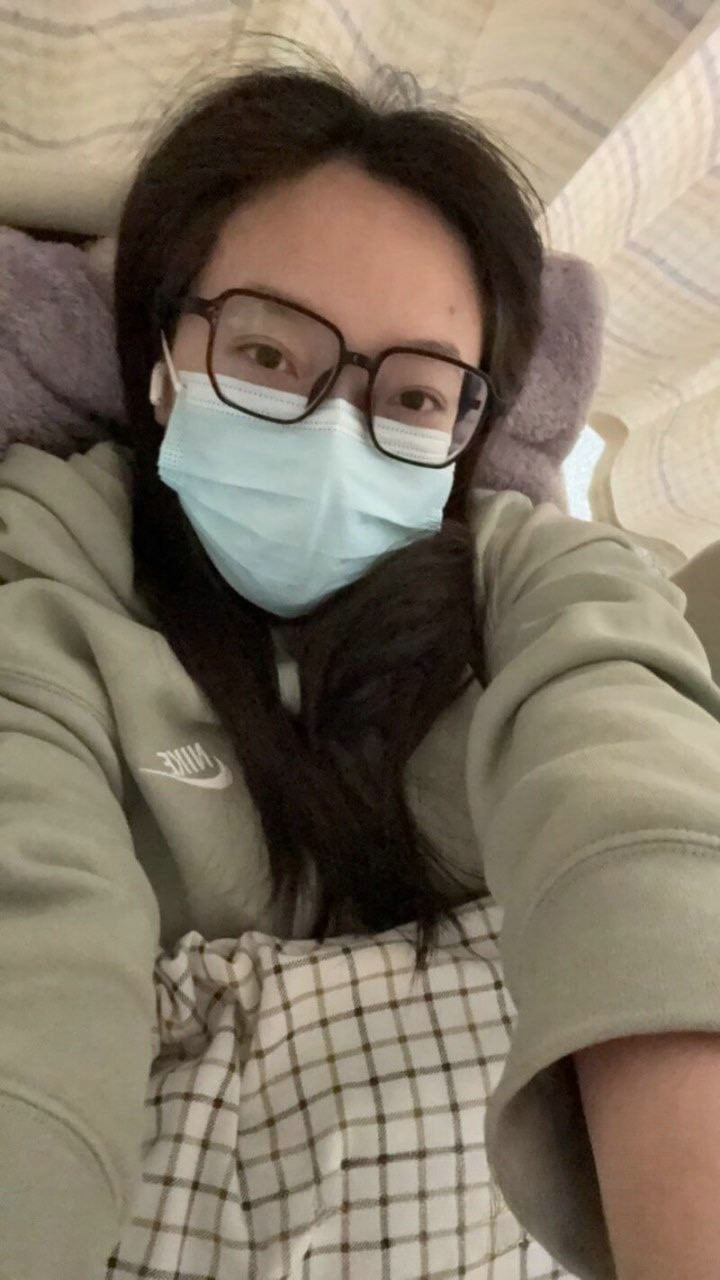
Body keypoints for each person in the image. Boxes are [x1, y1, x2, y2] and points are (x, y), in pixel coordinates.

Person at [1, 60, 720, 1280]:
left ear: (467, 430)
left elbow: (645, 816)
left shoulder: (531, 581)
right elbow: (31, 963)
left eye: (414, 394)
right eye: (268, 351)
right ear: (164, 356)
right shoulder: (44, 579)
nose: (336, 430)